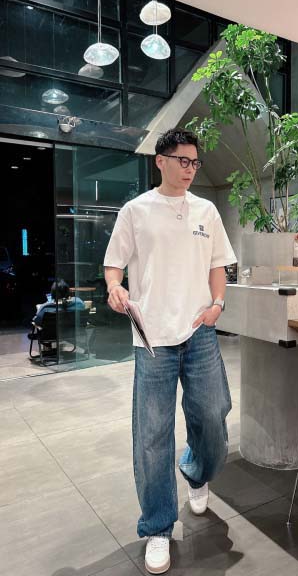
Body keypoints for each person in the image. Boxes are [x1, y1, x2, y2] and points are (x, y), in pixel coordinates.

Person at [103, 128, 237, 575]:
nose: (190, 169)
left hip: (199, 331)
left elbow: (218, 264)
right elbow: (114, 264)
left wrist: (217, 304)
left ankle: (196, 470)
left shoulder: (206, 211)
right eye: (183, 160)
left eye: (195, 162)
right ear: (160, 160)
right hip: (152, 338)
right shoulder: (136, 211)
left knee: (213, 414)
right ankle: (158, 526)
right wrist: (115, 288)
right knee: (152, 436)